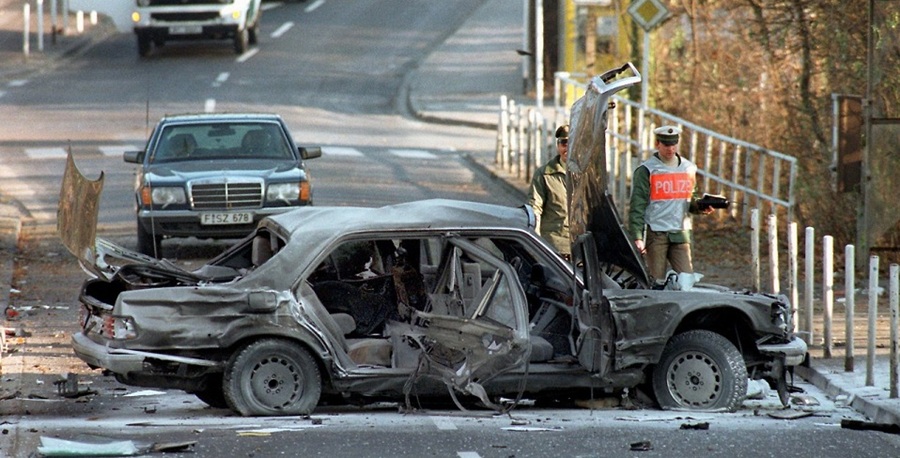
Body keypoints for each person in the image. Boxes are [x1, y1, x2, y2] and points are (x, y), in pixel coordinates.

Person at [628, 126, 714, 285]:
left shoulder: (688, 168)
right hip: (656, 233)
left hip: (680, 233)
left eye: (674, 144)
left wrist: (701, 207)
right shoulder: (647, 170)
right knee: (655, 283)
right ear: (657, 144)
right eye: (666, 145)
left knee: (686, 282)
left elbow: (689, 199)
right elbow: (637, 205)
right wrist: (637, 236)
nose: (671, 148)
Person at [528, 125, 570, 258]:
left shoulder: (587, 174)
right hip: (554, 248)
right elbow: (535, 208)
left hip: (582, 249)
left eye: (572, 143)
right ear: (558, 146)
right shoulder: (544, 174)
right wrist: (537, 243)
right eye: (564, 143)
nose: (567, 148)